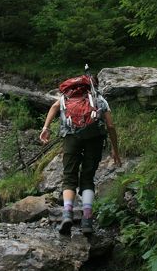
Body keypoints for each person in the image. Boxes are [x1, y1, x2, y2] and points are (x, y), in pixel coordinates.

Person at [39, 77, 122, 235]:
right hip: (94, 139)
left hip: (71, 138)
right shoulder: (98, 99)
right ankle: (87, 221)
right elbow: (110, 125)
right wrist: (115, 150)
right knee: (87, 178)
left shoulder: (67, 97)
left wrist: (46, 128)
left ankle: (67, 214)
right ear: (95, 85)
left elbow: (54, 107)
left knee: (69, 176)